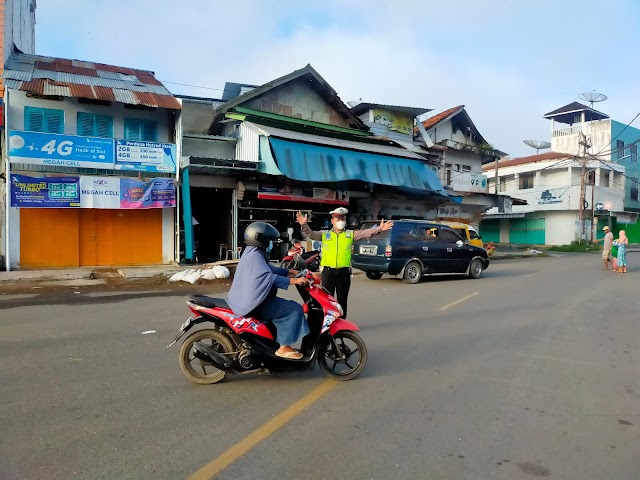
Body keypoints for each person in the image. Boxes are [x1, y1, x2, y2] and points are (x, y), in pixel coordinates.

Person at [226, 222, 310, 359]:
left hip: (249, 299)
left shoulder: (252, 252)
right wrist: (294, 280)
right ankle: (284, 348)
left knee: (285, 307)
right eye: (269, 240)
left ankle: (274, 341)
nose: (271, 243)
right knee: (293, 309)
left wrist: (289, 271)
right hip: (255, 304)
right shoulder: (255, 256)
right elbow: (268, 277)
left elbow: (269, 269)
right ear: (261, 239)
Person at [297, 208, 394, 317]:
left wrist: (379, 229)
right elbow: (311, 234)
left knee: (342, 299)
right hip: (328, 272)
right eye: (338, 218)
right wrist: (304, 225)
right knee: (327, 300)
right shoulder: (324, 234)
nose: (341, 221)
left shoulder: (350, 234)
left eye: (343, 218)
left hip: (344, 273)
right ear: (332, 221)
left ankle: (341, 324)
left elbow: (365, 233)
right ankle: (328, 323)